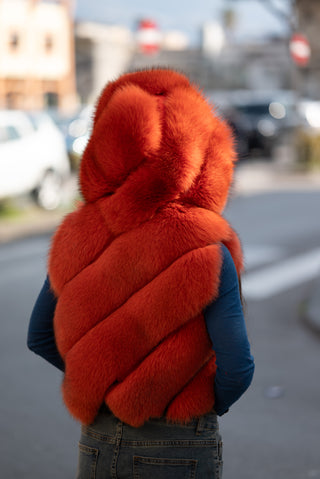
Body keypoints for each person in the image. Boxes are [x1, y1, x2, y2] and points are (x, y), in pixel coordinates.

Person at [27, 68, 254, 479]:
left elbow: (40, 336)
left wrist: (106, 378)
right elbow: (237, 365)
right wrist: (191, 402)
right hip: (181, 441)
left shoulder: (76, 238)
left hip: (98, 438)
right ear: (202, 152)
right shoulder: (205, 247)